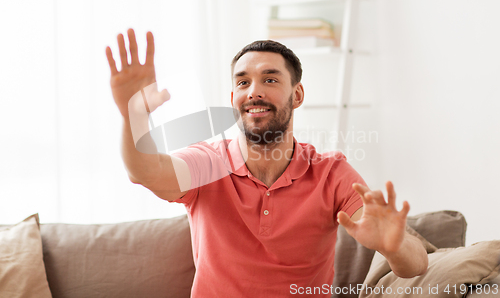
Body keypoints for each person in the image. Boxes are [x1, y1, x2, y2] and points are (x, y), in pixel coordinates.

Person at [106, 29, 428, 297]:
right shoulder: (208, 162)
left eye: (270, 80)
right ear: (233, 96)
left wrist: (395, 246)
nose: (253, 92)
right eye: (243, 82)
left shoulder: (331, 172)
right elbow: (145, 170)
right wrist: (133, 115)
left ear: (297, 95)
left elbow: (415, 265)